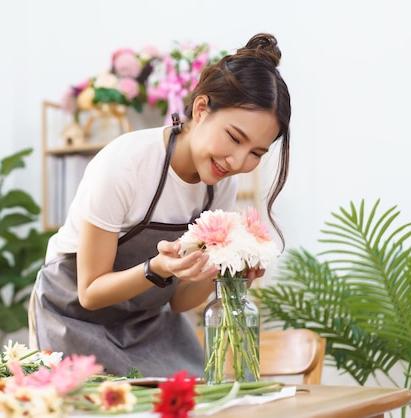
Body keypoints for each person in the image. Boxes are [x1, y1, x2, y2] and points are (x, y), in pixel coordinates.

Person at [30, 33, 291, 377]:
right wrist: (158, 268)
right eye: (234, 137)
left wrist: (232, 273)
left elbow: (180, 300)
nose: (238, 161)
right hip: (73, 318)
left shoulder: (220, 187)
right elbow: (90, 292)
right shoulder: (125, 164)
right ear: (201, 109)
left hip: (146, 328)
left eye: (256, 153)